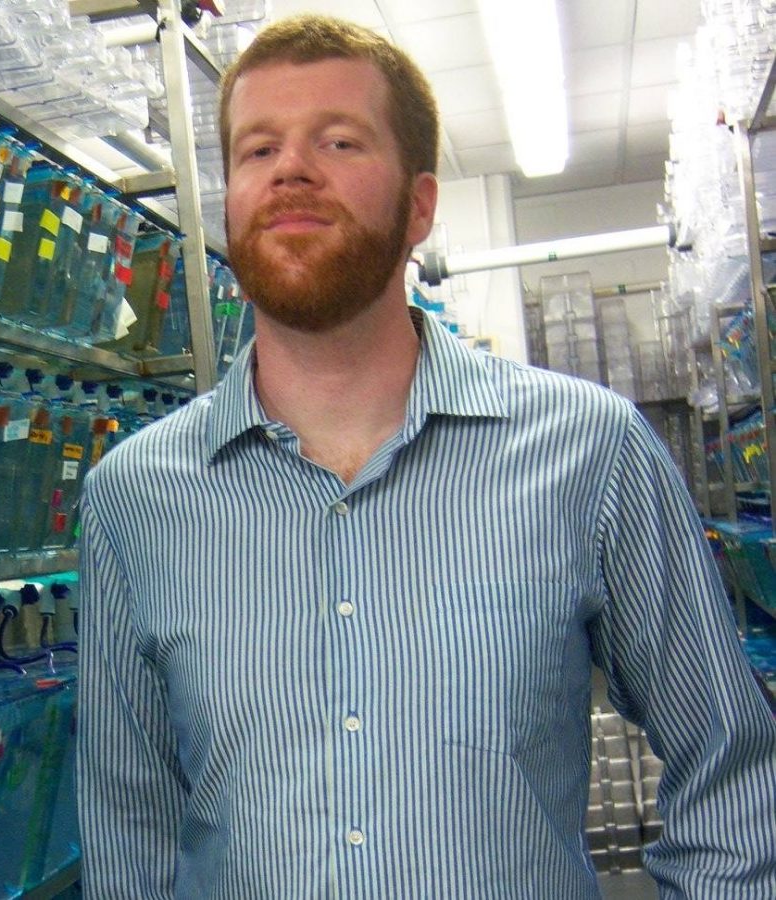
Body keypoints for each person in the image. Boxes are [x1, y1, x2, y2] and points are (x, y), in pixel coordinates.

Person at [76, 14, 776, 898]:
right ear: (230, 207)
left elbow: (732, 771)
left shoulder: (588, 451)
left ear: (419, 205)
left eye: (338, 139)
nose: (290, 168)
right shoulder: (132, 502)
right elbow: (128, 835)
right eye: (257, 150)